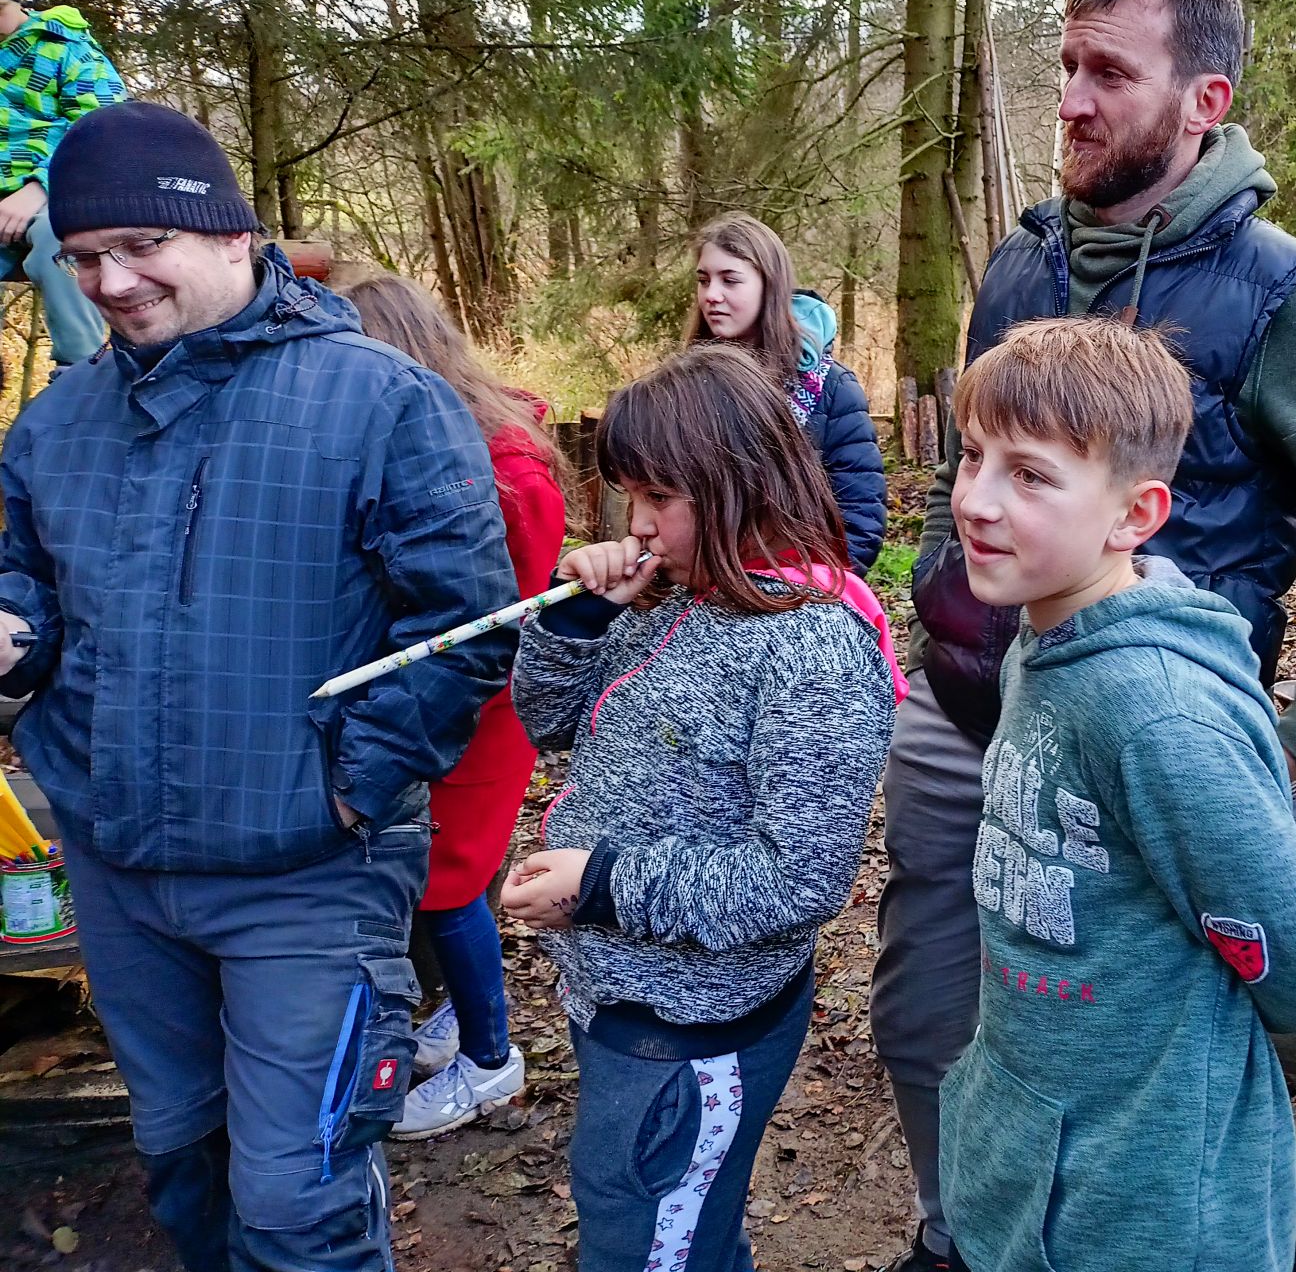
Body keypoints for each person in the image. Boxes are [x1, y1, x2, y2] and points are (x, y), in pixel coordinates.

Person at [873, 0, 1296, 1272]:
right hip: (977, 713)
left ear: (1204, 100)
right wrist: (937, 613)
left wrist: (1287, 741)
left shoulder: (1280, 293)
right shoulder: (1022, 265)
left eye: (1109, 74)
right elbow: (973, 472)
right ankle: (960, 1233)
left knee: (1132, 1040)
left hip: (1143, 753)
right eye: (1066, 66)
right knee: (930, 1018)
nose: (1071, 99)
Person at [0, 102, 519, 1271]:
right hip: (123, 877)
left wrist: (344, 789)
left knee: (297, 1207)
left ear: (231, 233)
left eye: (142, 245)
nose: (112, 282)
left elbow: (462, 629)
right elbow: (31, 592)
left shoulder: (380, 401)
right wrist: (16, 638)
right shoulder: (54, 426)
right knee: (185, 1169)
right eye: (83, 258)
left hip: (308, 880)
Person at [935, 317, 1296, 1272]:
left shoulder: (1157, 715)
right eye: (972, 456)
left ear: (1135, 516)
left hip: (1148, 1209)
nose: (976, 500)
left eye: (1030, 475)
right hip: (1036, 1165)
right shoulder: (1042, 640)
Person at [502, 342, 901, 1272]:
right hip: (619, 989)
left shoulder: (810, 648)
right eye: (627, 497)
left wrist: (601, 885)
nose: (637, 526)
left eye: (658, 498)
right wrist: (578, 617)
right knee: (661, 1218)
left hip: (692, 1026)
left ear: (740, 484)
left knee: (648, 1233)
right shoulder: (671, 597)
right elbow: (549, 723)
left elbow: (799, 880)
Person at [334, 273, 569, 1138]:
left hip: (478, 710)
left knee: (448, 881)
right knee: (438, 876)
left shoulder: (506, 471)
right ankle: (464, 1014)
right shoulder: (418, 447)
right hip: (431, 700)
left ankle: (490, 1058)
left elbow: (501, 618)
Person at [686, 211, 886, 573]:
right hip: (697, 583)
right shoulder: (683, 386)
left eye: (730, 280)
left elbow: (859, 523)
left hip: (800, 588)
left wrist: (798, 594)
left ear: (770, 286)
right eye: (704, 280)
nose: (711, 295)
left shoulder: (831, 388)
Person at [0, 0, 120, 367]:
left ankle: (82, 371)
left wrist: (39, 187)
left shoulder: (63, 43)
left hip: (58, 194)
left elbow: (102, 126)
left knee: (60, 237)